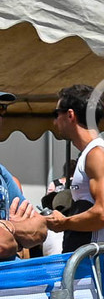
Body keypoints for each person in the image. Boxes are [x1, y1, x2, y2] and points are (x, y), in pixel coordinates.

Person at [44, 84, 104, 251]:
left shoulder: (97, 154)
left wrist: (64, 223)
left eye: (56, 114)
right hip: (88, 259)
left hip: (93, 262)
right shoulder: (91, 154)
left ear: (70, 115)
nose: (54, 121)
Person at [0, 92, 48, 262]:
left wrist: (9, 227)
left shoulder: (2, 172)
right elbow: (2, 245)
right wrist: (20, 239)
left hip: (13, 275)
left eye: (1, 110)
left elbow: (40, 228)